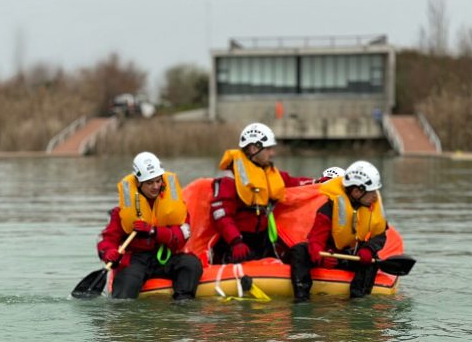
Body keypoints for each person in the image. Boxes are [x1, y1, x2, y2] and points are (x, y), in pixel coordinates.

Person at [96, 152, 203, 299]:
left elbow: (182, 235)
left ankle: (183, 304)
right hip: (135, 261)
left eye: (158, 181)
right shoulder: (121, 211)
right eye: (149, 183)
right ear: (138, 183)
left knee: (191, 264)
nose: (155, 187)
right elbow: (107, 239)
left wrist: (154, 231)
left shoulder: (176, 206)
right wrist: (108, 253)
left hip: (165, 257)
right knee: (126, 285)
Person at [209, 122, 312, 264]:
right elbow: (221, 215)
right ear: (253, 148)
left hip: (263, 240)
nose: (272, 153)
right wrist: (235, 242)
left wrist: (321, 181)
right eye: (268, 149)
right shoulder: (230, 178)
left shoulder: (267, 172)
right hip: (237, 243)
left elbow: (294, 182)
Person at [288, 160, 389, 301]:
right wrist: (321, 254)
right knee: (299, 250)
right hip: (329, 254)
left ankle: (358, 299)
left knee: (372, 260)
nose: (375, 196)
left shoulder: (373, 206)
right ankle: (301, 297)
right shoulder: (330, 207)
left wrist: (368, 249)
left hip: (352, 255)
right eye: (371, 192)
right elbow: (317, 236)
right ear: (356, 191)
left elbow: (380, 235)